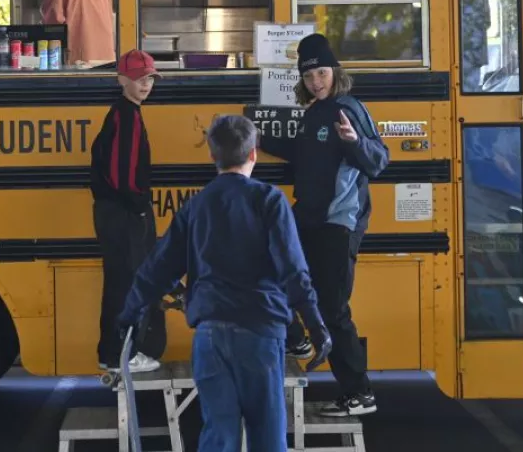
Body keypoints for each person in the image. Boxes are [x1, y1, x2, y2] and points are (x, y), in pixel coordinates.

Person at [116, 114, 332, 452]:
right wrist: (316, 325)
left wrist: (128, 314)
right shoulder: (270, 200)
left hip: (211, 335)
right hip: (261, 333)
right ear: (254, 154)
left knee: (219, 435)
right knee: (268, 435)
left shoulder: (196, 206)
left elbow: (157, 268)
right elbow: (293, 268)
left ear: (211, 156)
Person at [257, 33, 389, 417]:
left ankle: (359, 393)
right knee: (273, 265)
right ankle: (298, 340)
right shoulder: (315, 111)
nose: (316, 80)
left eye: (322, 71)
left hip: (337, 221)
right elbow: (300, 153)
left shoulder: (348, 108)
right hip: (308, 216)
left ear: (335, 71)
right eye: (309, 74)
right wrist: (256, 137)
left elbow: (378, 160)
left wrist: (353, 141)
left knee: (332, 308)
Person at [90, 49, 166, 373]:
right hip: (123, 212)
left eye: (148, 78)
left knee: (118, 281)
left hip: (111, 210)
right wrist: (138, 207)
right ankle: (123, 353)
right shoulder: (128, 116)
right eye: (137, 78)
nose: (144, 84)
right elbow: (125, 172)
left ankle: (112, 352)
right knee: (127, 282)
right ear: (121, 79)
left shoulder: (121, 113)